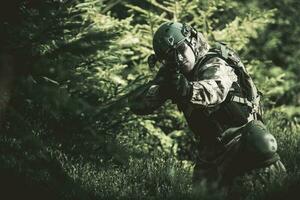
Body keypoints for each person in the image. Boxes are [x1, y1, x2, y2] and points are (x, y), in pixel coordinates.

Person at [129, 21, 286, 195]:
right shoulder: (175, 76)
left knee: (267, 174)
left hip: (241, 139)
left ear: (193, 42)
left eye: (181, 50)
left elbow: (215, 90)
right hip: (211, 151)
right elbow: (138, 104)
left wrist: (186, 89)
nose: (179, 58)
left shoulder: (215, 62)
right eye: (171, 56)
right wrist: (162, 85)